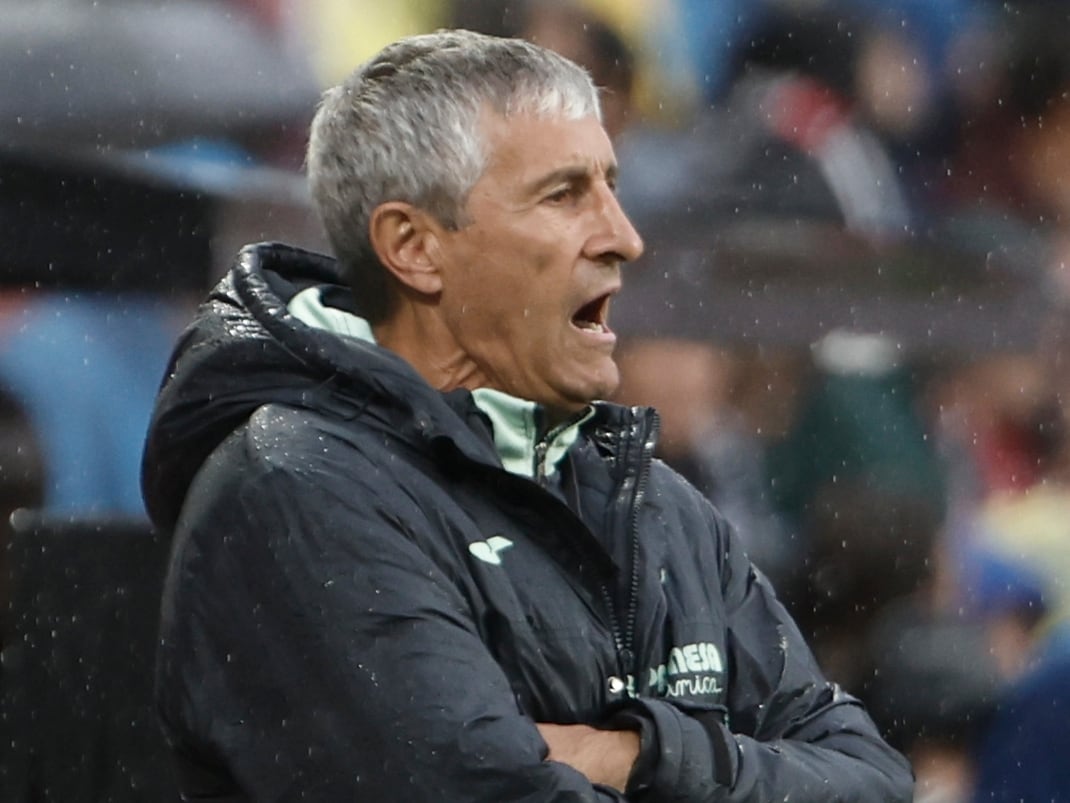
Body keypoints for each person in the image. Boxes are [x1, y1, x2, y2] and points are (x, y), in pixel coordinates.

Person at [142, 29, 913, 802]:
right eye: (564, 194)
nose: (624, 236)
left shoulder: (651, 500)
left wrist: (638, 756)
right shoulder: (294, 489)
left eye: (611, 186)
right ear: (414, 247)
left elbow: (871, 780)